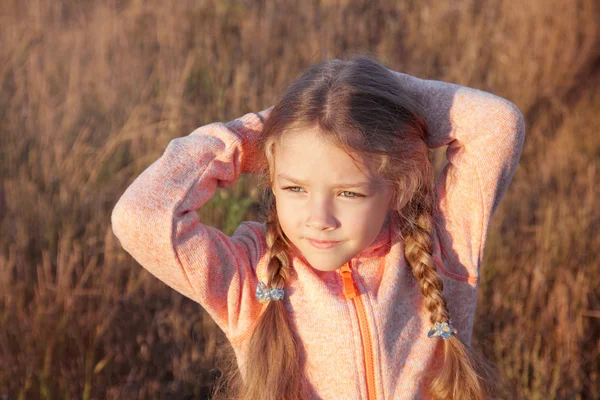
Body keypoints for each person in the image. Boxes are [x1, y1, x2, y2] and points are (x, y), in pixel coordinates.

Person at [111, 55, 525, 400]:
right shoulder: (249, 277)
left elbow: (497, 124)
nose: (318, 219)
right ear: (271, 172)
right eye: (295, 187)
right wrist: (262, 132)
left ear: (398, 188)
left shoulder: (441, 247)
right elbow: (139, 216)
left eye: (348, 193)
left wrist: (374, 95)